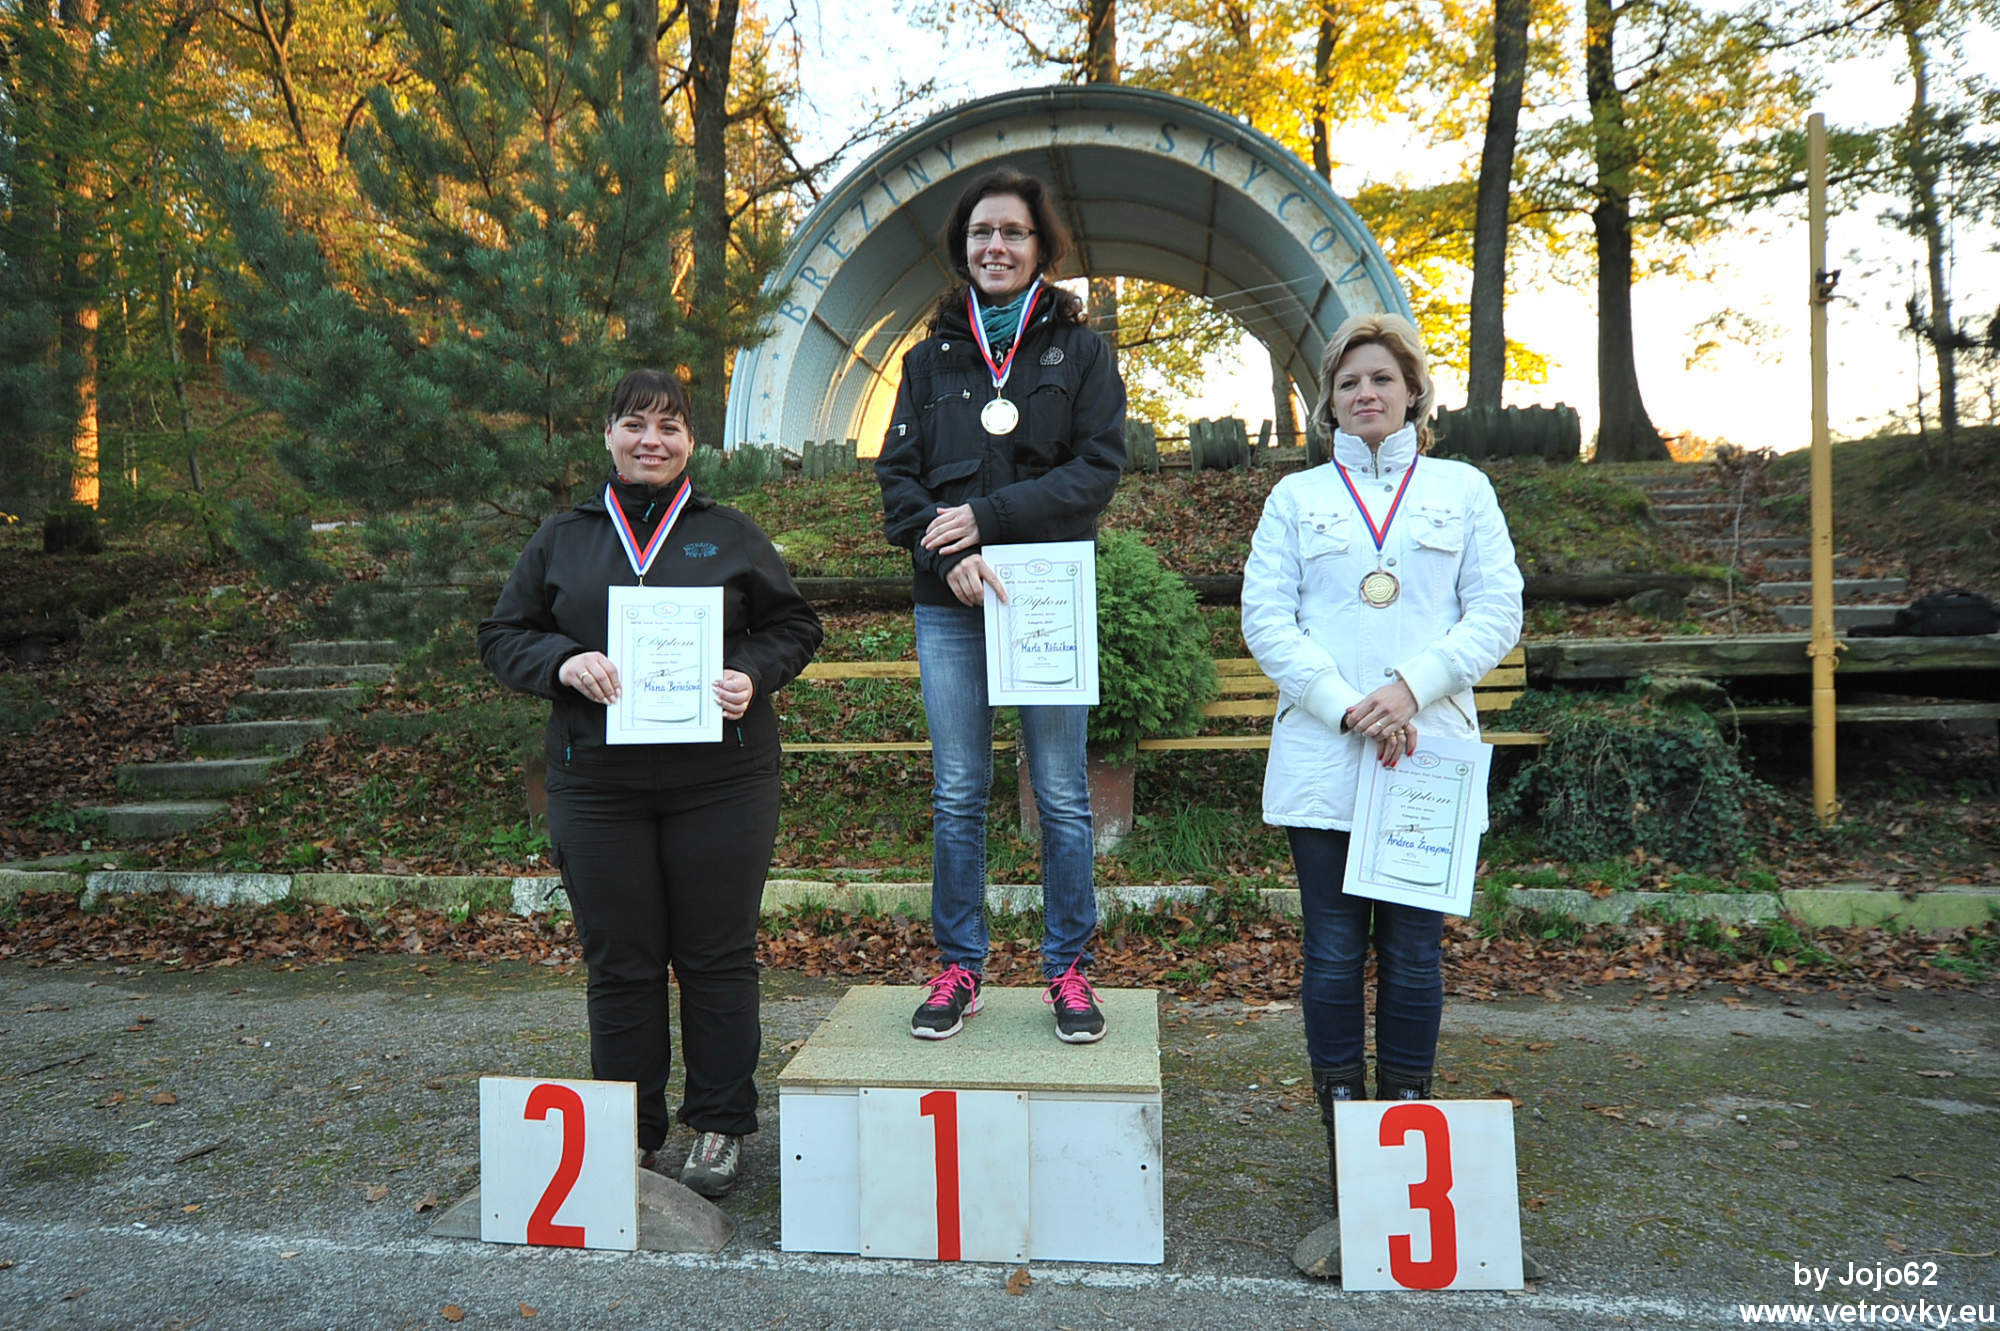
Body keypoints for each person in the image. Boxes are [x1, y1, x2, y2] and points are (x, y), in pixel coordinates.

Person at [478, 369, 823, 1199]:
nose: (651, 440)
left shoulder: (730, 533)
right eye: (635, 424)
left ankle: (720, 1123)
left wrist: (752, 672)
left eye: (669, 427)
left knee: (717, 953)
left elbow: (795, 624)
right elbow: (502, 634)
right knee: (621, 958)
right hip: (598, 783)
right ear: (609, 436)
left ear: (691, 442)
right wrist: (563, 661)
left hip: (722, 780)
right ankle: (628, 1129)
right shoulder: (563, 537)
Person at [1241, 313, 1523, 1193]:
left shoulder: (1463, 489)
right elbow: (1266, 619)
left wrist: (1411, 687)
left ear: (1413, 393)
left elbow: (1496, 610)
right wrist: (1346, 706)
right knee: (1331, 951)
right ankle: (1344, 1135)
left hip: (1426, 755)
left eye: (1382, 379)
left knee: (1412, 952)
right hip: (1326, 757)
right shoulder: (1296, 499)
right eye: (1349, 382)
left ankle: (1405, 1124)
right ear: (1329, 401)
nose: (1366, 393)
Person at [876, 168, 1128, 1044]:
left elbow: (1096, 471)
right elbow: (897, 484)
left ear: (1040, 246)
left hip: (1045, 596)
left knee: (1060, 791)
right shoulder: (926, 361)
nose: (996, 245)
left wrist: (986, 518)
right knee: (957, 791)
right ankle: (960, 966)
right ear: (963, 247)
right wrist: (946, 552)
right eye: (981, 232)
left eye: (1013, 232)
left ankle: (1069, 969)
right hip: (949, 600)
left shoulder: (1081, 353)